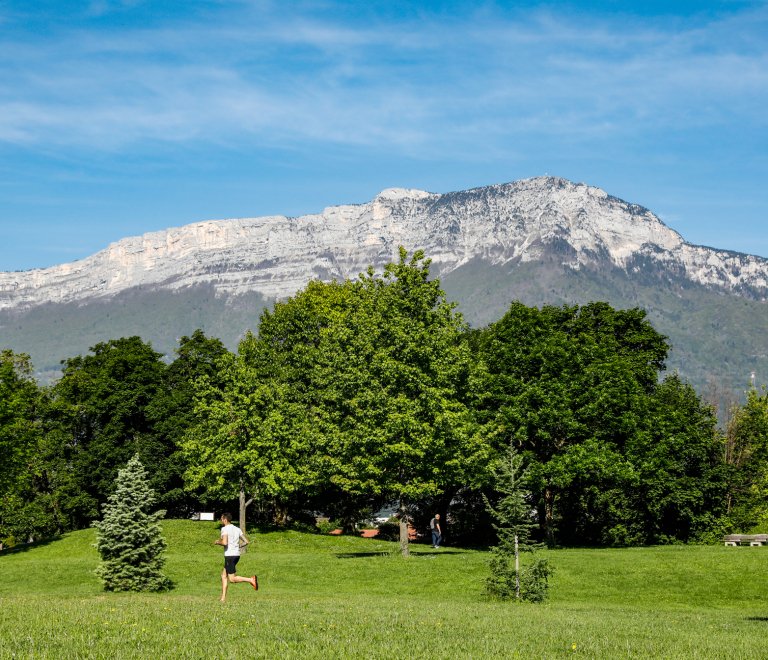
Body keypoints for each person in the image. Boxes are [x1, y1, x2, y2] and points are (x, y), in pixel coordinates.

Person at [214, 512, 257, 602]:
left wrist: (218, 542)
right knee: (223, 575)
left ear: (225, 520)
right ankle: (223, 598)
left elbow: (225, 542)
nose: (221, 521)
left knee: (232, 579)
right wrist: (238, 546)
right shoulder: (237, 529)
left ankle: (251, 579)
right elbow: (246, 542)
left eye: (221, 519)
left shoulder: (224, 529)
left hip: (230, 556)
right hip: (236, 555)